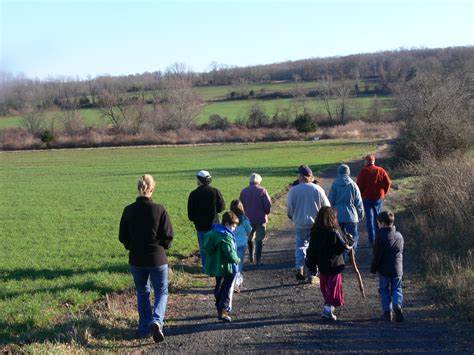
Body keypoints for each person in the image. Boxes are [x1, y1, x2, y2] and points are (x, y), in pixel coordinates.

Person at [119, 174, 174, 342]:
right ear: (152, 189)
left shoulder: (128, 210)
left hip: (136, 259)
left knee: (142, 292)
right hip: (157, 258)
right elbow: (168, 235)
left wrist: (131, 247)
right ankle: (157, 320)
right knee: (162, 291)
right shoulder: (159, 209)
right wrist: (163, 247)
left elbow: (123, 236)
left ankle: (144, 327)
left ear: (138, 188)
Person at [306, 206, 353, 321]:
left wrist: (311, 265)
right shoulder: (334, 232)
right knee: (333, 288)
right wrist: (350, 240)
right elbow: (344, 247)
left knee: (325, 288)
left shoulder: (315, 232)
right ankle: (328, 309)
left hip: (322, 265)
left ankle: (328, 308)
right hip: (335, 265)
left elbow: (311, 250)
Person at [287, 165, 330, 283]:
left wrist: (292, 216)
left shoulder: (293, 190)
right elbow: (327, 207)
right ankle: (312, 273)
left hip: (300, 223)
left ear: (301, 176)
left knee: (301, 246)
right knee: (315, 248)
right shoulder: (318, 189)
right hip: (316, 225)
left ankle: (299, 267)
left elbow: (290, 209)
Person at [202, 211, 241, 322]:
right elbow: (229, 253)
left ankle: (219, 305)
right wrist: (237, 259)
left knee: (219, 286)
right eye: (233, 226)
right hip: (228, 267)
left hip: (217, 266)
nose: (234, 229)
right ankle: (223, 309)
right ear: (227, 223)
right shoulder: (226, 235)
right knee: (227, 289)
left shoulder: (213, 232)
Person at [188, 170, 225, 271]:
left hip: (201, 226)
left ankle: (206, 268)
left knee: (204, 249)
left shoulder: (193, 194)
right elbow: (221, 208)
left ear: (200, 180)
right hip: (214, 225)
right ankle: (216, 266)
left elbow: (190, 215)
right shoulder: (215, 191)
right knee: (215, 247)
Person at [370, 211, 404, 322]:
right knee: (397, 288)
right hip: (397, 269)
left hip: (384, 270)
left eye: (378, 223)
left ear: (383, 224)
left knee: (384, 290)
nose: (378, 226)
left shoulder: (380, 237)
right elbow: (401, 251)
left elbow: (377, 255)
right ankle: (397, 305)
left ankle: (387, 312)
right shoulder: (399, 236)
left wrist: (373, 268)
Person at [328, 164, 364, 253]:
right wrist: (361, 214)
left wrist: (329, 216)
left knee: (339, 239)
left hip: (337, 217)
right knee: (353, 238)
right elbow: (358, 202)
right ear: (348, 172)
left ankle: (342, 257)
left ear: (338, 172)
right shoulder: (353, 185)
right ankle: (351, 255)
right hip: (351, 216)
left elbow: (330, 202)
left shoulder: (334, 185)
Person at [356, 154, 391, 246]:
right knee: (378, 219)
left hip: (367, 198)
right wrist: (384, 193)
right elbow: (388, 182)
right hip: (378, 198)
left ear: (367, 161)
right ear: (374, 161)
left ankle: (372, 241)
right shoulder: (381, 170)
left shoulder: (363, 171)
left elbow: (358, 186)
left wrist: (361, 195)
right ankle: (379, 240)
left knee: (369, 220)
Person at [239, 173, 272, 265]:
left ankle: (251, 256)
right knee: (259, 240)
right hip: (261, 219)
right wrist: (266, 213)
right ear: (259, 181)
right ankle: (258, 260)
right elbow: (268, 206)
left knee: (250, 238)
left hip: (248, 220)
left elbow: (240, 206)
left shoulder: (244, 191)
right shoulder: (262, 191)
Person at [230, 200, 252, 292]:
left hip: (231, 244)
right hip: (242, 244)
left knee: (232, 264)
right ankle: (236, 283)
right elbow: (249, 231)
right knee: (239, 264)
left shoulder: (229, 218)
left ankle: (233, 281)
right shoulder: (244, 219)